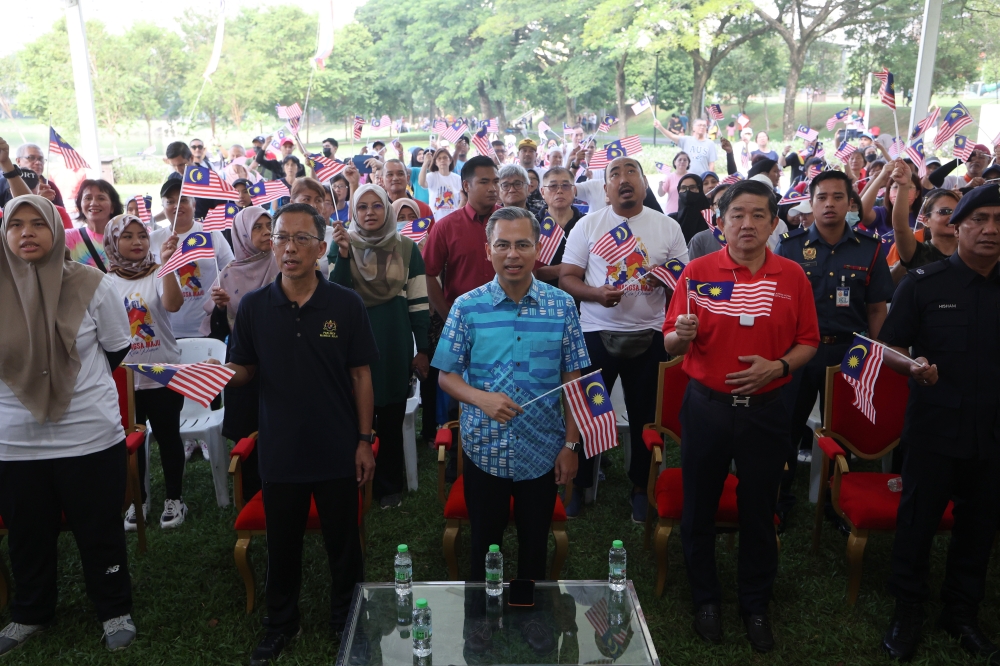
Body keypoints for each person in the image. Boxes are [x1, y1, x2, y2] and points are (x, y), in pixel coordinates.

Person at [216, 202, 378, 666]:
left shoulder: (344, 304)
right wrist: (220, 374)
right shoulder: (254, 307)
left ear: (321, 248)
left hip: (337, 444)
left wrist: (364, 440)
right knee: (281, 540)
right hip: (280, 445)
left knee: (343, 541)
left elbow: (361, 375)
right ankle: (281, 622)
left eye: (301, 239)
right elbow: (244, 369)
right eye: (281, 237)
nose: (288, 248)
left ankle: (347, 616)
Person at [663, 179, 819, 653]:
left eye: (758, 215)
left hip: (768, 412)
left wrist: (779, 365)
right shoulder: (698, 271)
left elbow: (809, 341)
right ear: (721, 222)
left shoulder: (792, 275)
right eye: (737, 215)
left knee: (758, 510)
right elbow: (669, 343)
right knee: (699, 508)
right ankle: (706, 598)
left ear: (775, 222)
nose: (747, 224)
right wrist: (682, 335)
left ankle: (755, 603)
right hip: (707, 409)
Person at [0, 195, 137, 655]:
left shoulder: (92, 284)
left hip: (88, 435)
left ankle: (114, 608)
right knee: (26, 534)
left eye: (38, 223)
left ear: (56, 230)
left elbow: (117, 349)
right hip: (15, 441)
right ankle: (30, 612)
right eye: (15, 224)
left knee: (99, 530)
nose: (26, 233)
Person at [877, 183, 1000, 664]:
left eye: (999, 221)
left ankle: (961, 611)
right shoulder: (924, 283)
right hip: (934, 428)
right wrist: (911, 367)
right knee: (918, 520)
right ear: (957, 226)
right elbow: (889, 347)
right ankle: (908, 608)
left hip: (992, 433)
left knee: (980, 524)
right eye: (979, 220)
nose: (990, 230)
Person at [433, 204, 586, 586]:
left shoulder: (562, 306)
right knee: (486, 541)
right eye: (502, 245)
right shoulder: (467, 308)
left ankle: (528, 608)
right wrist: (481, 399)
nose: (513, 254)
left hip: (543, 449)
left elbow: (573, 379)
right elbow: (446, 377)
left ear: (538, 249)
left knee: (535, 540)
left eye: (522, 245)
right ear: (488, 250)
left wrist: (571, 444)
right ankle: (483, 616)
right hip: (484, 448)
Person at [559, 157, 688, 521]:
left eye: (631, 172)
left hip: (651, 336)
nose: (623, 179)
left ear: (645, 185)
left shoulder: (667, 227)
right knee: (590, 412)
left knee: (646, 417)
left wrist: (665, 279)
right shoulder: (588, 225)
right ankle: (580, 484)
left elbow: (683, 280)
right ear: (606, 189)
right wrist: (595, 294)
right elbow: (568, 277)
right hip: (596, 334)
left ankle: (640, 487)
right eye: (614, 174)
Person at [775, 170, 893, 528]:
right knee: (787, 427)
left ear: (851, 204)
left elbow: (876, 309)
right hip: (799, 351)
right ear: (810, 203)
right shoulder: (791, 246)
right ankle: (780, 498)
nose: (829, 204)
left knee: (842, 430)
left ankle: (837, 500)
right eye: (822, 197)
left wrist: (880, 356)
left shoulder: (870, 250)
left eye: (837, 197)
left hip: (849, 353)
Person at [330, 184, 430, 509]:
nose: (370, 212)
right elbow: (335, 296)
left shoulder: (407, 247)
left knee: (389, 415)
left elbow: (418, 303)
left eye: (377, 206)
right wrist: (344, 255)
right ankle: (355, 483)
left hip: (393, 342)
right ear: (353, 212)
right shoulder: (342, 244)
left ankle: (389, 486)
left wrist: (423, 349)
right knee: (352, 416)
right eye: (362, 207)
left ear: (387, 209)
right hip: (353, 343)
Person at [103, 214, 188, 529]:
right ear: (114, 242)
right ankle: (137, 501)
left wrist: (166, 265)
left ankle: (175, 499)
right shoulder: (105, 281)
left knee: (168, 438)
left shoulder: (158, 272)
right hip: (125, 379)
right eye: (127, 236)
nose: (137, 242)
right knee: (131, 442)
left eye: (142, 235)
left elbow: (174, 303)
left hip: (163, 373)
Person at [208, 207, 276, 502]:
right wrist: (221, 308)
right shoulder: (227, 273)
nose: (265, 232)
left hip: (278, 359)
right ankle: (251, 493)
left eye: (268, 225)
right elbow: (218, 329)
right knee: (248, 426)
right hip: (245, 359)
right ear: (242, 235)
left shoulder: (284, 263)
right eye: (257, 228)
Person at [149, 178, 235, 339]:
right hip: (165, 332)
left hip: (207, 328)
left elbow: (232, 269)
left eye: (183, 200)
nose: (177, 205)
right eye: (170, 201)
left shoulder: (211, 233)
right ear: (163, 207)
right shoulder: (152, 239)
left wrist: (222, 294)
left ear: (194, 205)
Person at [888, 167, 959, 277]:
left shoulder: (973, 251)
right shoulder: (917, 253)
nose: (952, 216)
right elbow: (900, 228)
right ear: (926, 220)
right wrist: (903, 186)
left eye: (957, 211)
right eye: (945, 211)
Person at [534, 167, 584, 286]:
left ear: (574, 190)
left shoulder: (587, 223)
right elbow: (526, 269)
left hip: (581, 296)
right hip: (541, 295)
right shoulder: (531, 224)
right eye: (553, 186)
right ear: (542, 192)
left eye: (566, 186)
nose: (559, 191)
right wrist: (564, 270)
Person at [66, 179, 125, 271]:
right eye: (88, 198)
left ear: (112, 207)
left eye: (101, 198)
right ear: (80, 205)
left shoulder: (126, 238)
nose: (93, 203)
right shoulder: (67, 237)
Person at [861, 159, 923, 238]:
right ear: (888, 191)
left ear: (917, 193)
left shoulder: (922, 218)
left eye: (908, 187)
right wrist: (880, 177)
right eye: (895, 187)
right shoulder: (881, 213)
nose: (900, 191)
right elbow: (862, 213)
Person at [0, 143, 65, 208]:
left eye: (40, 159)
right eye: (31, 158)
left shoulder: (50, 186)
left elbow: (61, 214)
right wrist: (38, 201)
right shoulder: (3, 183)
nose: (38, 162)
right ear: (18, 161)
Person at [653, 117, 717, 174]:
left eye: (704, 126)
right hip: (687, 178)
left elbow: (711, 164)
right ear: (693, 127)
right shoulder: (686, 140)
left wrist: (710, 177)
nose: (702, 127)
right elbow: (672, 136)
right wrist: (660, 127)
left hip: (703, 178)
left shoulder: (710, 143)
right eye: (699, 125)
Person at [687, 183, 731, 260]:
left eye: (729, 201)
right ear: (712, 209)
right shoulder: (699, 240)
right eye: (719, 202)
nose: (725, 206)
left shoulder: (749, 234)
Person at [923, 143, 990, 191]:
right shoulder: (953, 181)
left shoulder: (990, 184)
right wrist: (961, 159)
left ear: (989, 161)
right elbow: (934, 178)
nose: (975, 160)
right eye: (971, 157)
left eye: (981, 157)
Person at [419, 147, 462, 221]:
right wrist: (425, 163)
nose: (442, 160)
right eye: (439, 158)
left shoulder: (458, 178)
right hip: (435, 220)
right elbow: (422, 183)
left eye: (445, 158)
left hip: (453, 220)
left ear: (450, 160)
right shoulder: (432, 176)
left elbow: (461, 200)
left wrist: (457, 216)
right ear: (435, 162)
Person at [673, 174, 712, 243]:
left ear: (700, 189)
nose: (687, 191)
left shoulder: (711, 219)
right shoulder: (672, 220)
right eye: (683, 188)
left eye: (693, 187)